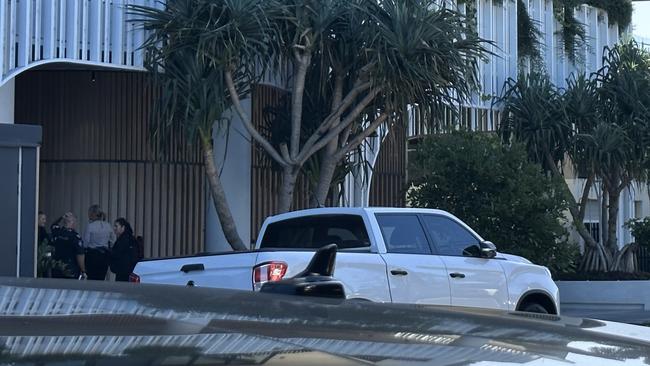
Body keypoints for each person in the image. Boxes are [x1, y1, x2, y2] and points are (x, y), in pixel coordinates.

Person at [83, 205, 115, 280]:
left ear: (92, 214)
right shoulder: (108, 225)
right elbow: (113, 240)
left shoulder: (90, 226)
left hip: (92, 256)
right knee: (101, 278)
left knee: (91, 278)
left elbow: (86, 243)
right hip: (104, 256)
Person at [50, 212, 87, 279]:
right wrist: (83, 270)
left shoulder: (57, 231)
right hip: (70, 269)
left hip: (57, 268)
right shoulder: (75, 237)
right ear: (72, 222)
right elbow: (80, 255)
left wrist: (61, 217)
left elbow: (53, 224)